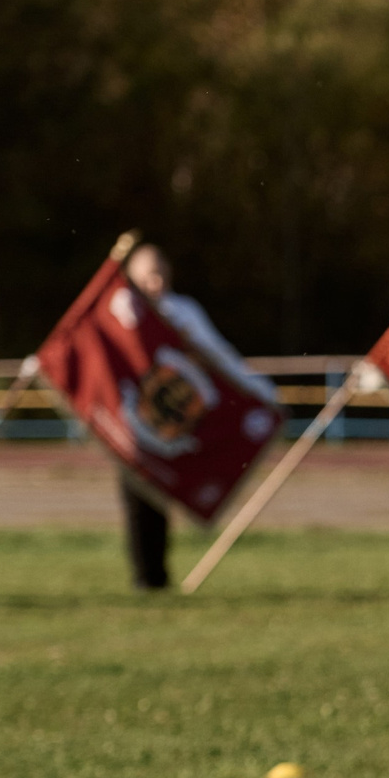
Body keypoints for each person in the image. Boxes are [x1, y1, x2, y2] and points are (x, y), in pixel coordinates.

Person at [120, 245, 274, 590]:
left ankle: (159, 576)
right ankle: (145, 578)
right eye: (147, 275)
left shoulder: (182, 313)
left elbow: (221, 357)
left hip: (178, 425)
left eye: (160, 274)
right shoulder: (121, 316)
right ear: (131, 278)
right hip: (134, 425)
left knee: (171, 492)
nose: (155, 282)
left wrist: (264, 394)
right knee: (137, 499)